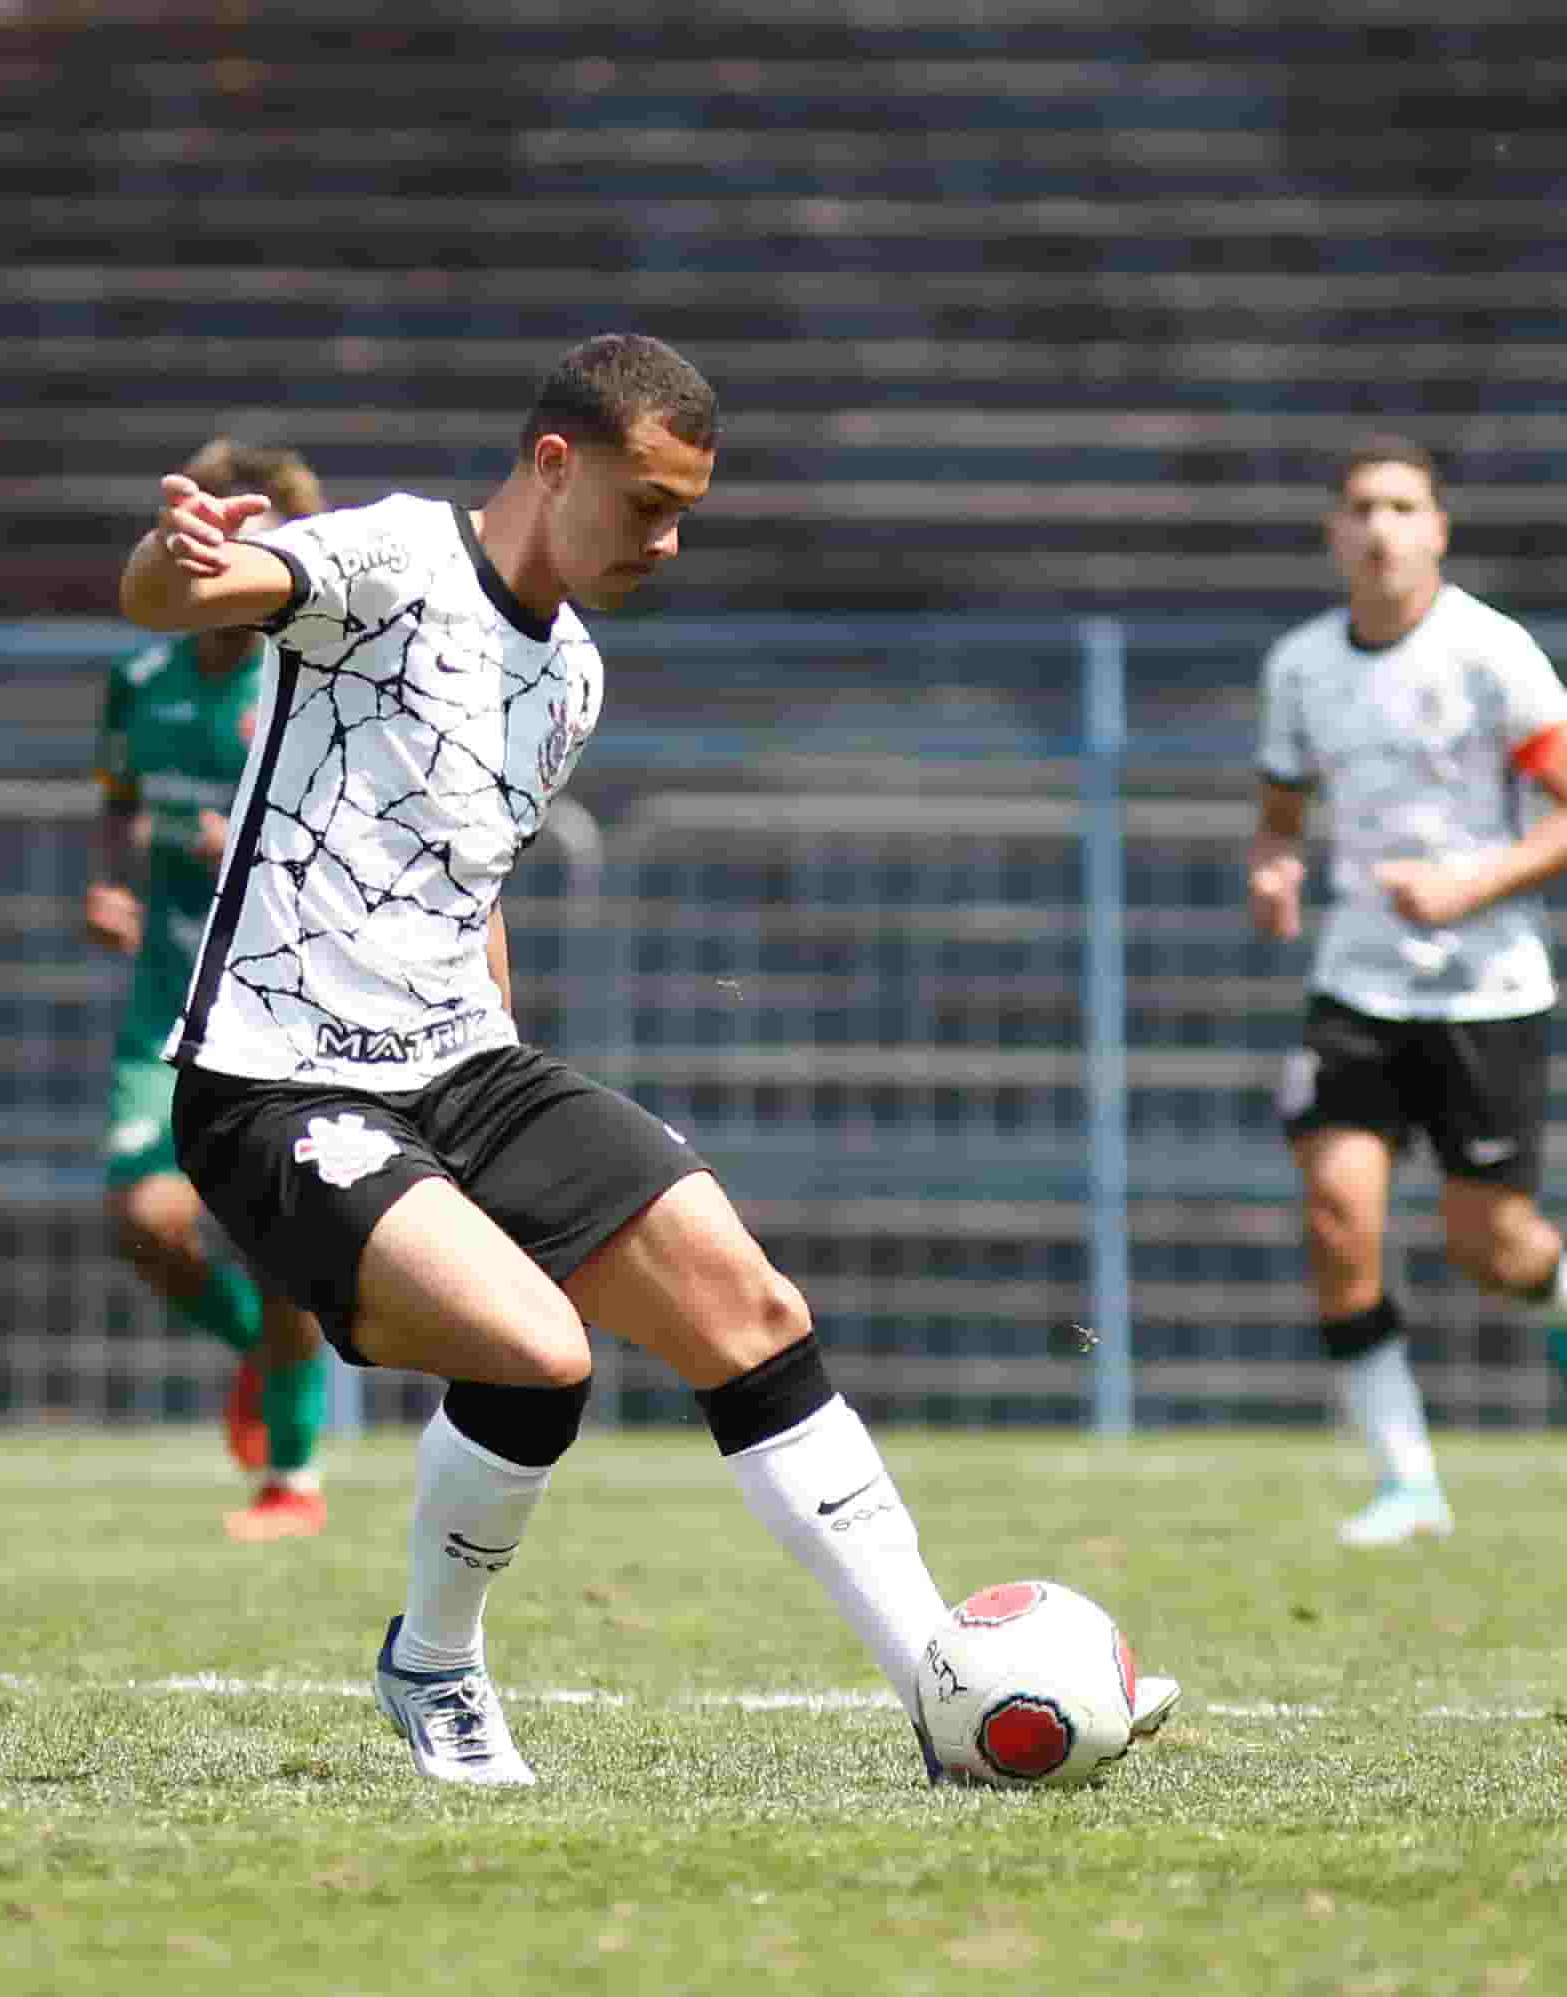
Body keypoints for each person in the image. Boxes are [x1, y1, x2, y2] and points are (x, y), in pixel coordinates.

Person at [116, 333, 1180, 1786]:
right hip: (276, 1080)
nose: (667, 542)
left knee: (748, 1302)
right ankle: (433, 1659)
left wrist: (504, 1073)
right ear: (556, 462)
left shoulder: (572, 680)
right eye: (647, 504)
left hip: (461, 1067)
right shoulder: (389, 556)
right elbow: (191, 594)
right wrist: (176, 561)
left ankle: (943, 1685)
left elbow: (467, 882)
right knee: (541, 1357)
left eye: (689, 512)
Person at [1247, 436, 1567, 1550]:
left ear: (1437, 527)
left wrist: (1471, 882)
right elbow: (1281, 821)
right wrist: (1275, 872)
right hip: (1358, 988)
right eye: (1360, 507)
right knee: (1340, 1219)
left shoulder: (1495, 655)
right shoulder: (1298, 666)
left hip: (1488, 994)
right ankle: (1406, 1482)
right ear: (1336, 533)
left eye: (1402, 506)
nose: (1380, 526)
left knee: (1500, 1248)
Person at [88, 437, 334, 1540]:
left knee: (289, 1243)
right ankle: (257, 1359)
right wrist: (111, 879)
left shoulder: (309, 685)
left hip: (284, 1005)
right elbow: (117, 796)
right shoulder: (139, 679)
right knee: (145, 1218)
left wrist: (259, 845)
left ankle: (292, 1475)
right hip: (167, 1002)